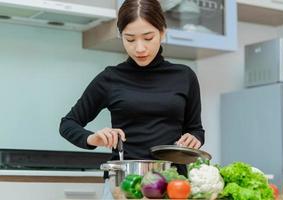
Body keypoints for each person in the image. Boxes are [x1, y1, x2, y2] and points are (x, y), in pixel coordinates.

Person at [59, 0, 205, 176]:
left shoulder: (185, 76)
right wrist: (93, 138)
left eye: (148, 38)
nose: (140, 48)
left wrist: (194, 138)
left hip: (173, 181)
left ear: (162, 33)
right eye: (130, 39)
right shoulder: (110, 78)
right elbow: (68, 123)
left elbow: (196, 129)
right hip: (124, 180)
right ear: (121, 36)